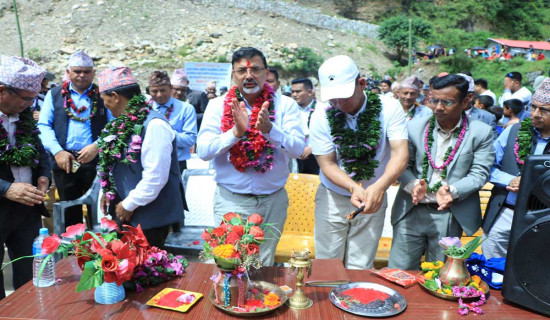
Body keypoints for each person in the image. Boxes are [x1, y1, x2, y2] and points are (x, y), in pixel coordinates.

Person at [196, 47, 305, 266]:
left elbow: (298, 149)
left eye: (255, 69)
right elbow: (204, 151)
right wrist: (235, 133)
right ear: (233, 75)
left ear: (266, 72)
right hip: (231, 200)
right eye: (241, 71)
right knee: (229, 263)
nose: (249, 76)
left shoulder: (286, 105)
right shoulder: (217, 106)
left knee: (262, 264)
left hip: (272, 202)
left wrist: (270, 130)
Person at [309, 55, 409, 269]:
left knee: (361, 265)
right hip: (332, 196)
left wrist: (380, 187)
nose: (337, 104)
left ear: (361, 84)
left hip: (374, 197)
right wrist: (354, 187)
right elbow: (327, 164)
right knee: (327, 263)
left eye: (343, 97)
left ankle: (356, 301)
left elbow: (400, 153)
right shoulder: (320, 114)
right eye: (332, 99)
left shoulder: (389, 108)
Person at [388, 74, 494, 270]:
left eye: (447, 102)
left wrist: (452, 190)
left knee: (440, 277)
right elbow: (401, 165)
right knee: (398, 273)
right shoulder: (413, 127)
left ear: (466, 101)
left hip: (450, 214)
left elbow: (479, 173)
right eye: (433, 100)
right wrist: (412, 185)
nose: (438, 107)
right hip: (412, 210)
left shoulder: (481, 132)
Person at [97, 67, 185, 248]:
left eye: (105, 100)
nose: (105, 105)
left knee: (146, 271)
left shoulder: (154, 125)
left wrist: (129, 204)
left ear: (115, 96)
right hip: (129, 212)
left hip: (149, 217)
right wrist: (109, 191)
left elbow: (156, 177)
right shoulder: (123, 121)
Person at [38, 50, 110, 228]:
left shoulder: (104, 95)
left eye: (87, 71)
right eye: (77, 71)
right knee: (70, 213)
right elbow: (43, 125)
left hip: (96, 160)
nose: (82, 76)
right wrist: (58, 151)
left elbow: (114, 126)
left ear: (93, 73)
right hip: (65, 162)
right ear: (68, 72)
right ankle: (74, 253)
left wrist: (96, 146)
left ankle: (102, 251)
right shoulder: (55, 94)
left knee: (100, 211)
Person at [482, 79, 550, 259]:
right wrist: (509, 180)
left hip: (543, 220)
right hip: (505, 213)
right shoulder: (513, 131)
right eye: (533, 107)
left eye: (544, 109)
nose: (535, 114)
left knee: (531, 273)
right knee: (492, 268)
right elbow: (487, 166)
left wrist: (533, 185)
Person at [0, 56, 50, 300]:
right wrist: (5, 189)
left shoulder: (25, 116)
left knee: (30, 277)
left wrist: (43, 175)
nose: (31, 104)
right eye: (27, 98)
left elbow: (40, 152)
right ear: (2, 91)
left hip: (27, 210)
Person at [148, 71, 197, 174]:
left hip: (176, 164)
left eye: (163, 90)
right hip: (149, 163)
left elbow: (190, 139)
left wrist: (166, 134)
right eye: (154, 91)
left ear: (170, 88)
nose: (159, 95)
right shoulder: (144, 108)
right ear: (149, 90)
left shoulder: (186, 109)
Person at [291, 78, 319, 174]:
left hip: (317, 156)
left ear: (310, 92)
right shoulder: (290, 110)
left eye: (298, 91)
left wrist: (312, 147)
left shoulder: (322, 109)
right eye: (293, 92)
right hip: (296, 156)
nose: (294, 95)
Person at [459, 74, 498, 140]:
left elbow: (492, 144)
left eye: (458, 95)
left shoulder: (487, 118)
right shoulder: (441, 115)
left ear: (470, 97)